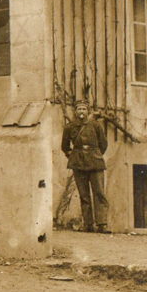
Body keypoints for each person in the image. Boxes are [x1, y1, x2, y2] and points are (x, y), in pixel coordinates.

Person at [61, 99, 110, 233]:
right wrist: (74, 155)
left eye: (83, 109)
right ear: (75, 112)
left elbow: (103, 144)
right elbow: (65, 146)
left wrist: (95, 154)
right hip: (78, 162)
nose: (81, 111)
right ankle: (87, 224)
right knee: (84, 194)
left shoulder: (95, 125)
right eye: (79, 109)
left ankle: (102, 224)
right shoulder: (70, 127)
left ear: (87, 111)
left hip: (95, 162)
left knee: (99, 193)